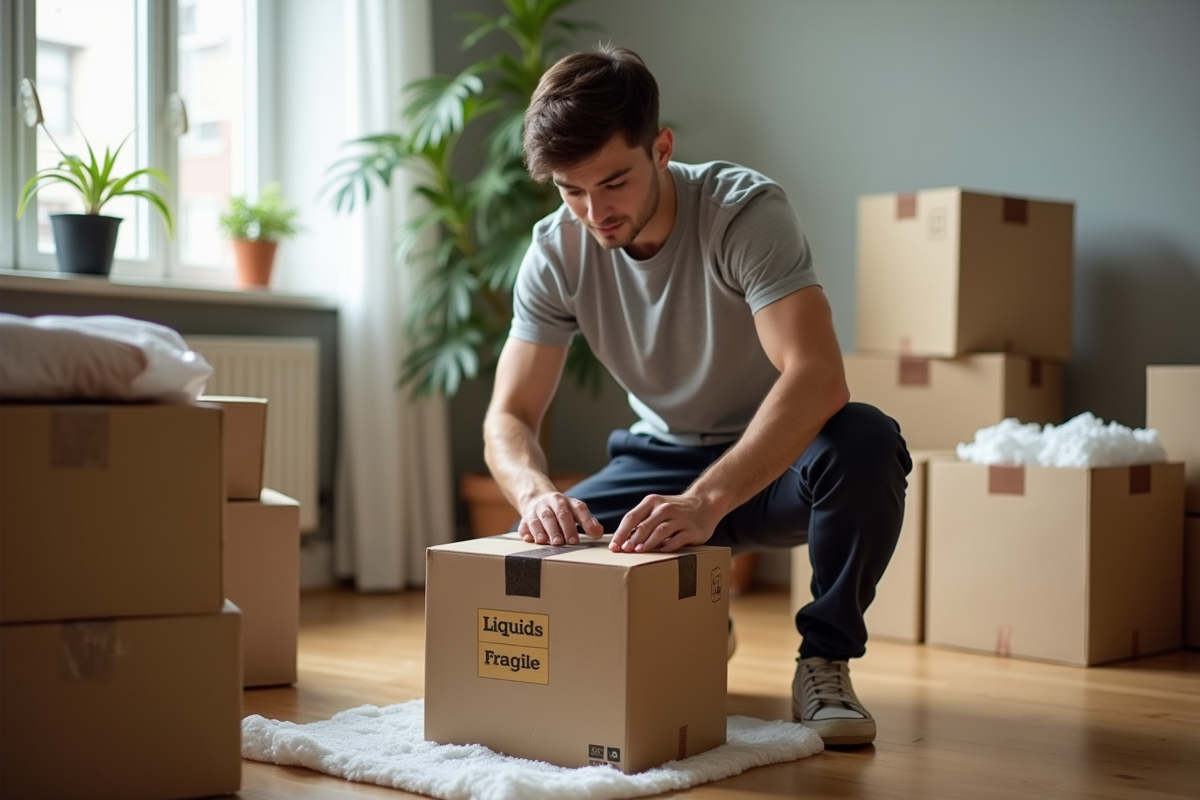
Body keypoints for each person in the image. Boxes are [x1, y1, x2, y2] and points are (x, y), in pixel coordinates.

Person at [482, 44, 912, 747]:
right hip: (657, 460)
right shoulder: (556, 249)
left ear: (661, 149)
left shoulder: (743, 213)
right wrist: (535, 496)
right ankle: (695, 616)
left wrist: (708, 502)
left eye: (613, 181)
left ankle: (825, 658)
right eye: (571, 189)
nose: (595, 212)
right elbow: (510, 415)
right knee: (531, 559)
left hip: (774, 465)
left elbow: (816, 375)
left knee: (865, 440)